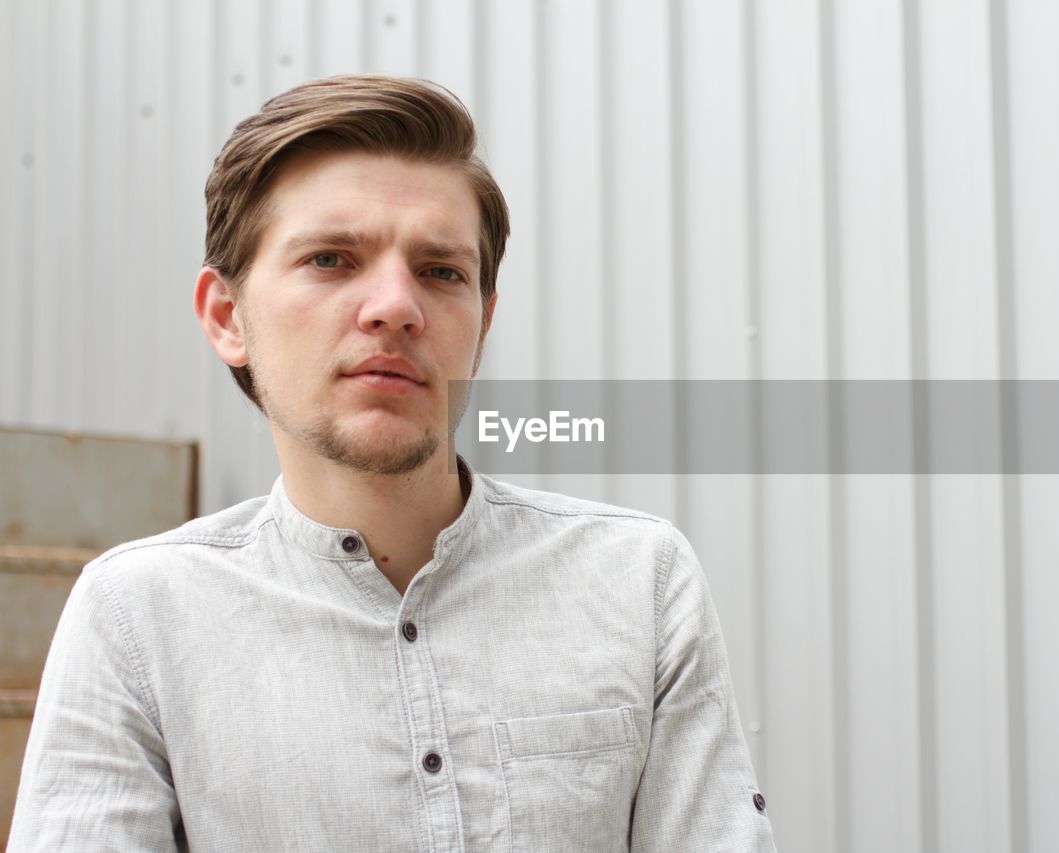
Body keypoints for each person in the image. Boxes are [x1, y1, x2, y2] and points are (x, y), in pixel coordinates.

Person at [8, 74, 776, 851]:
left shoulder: (637, 581)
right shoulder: (135, 618)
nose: (395, 306)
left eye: (441, 271)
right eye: (332, 259)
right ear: (226, 316)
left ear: (481, 324)